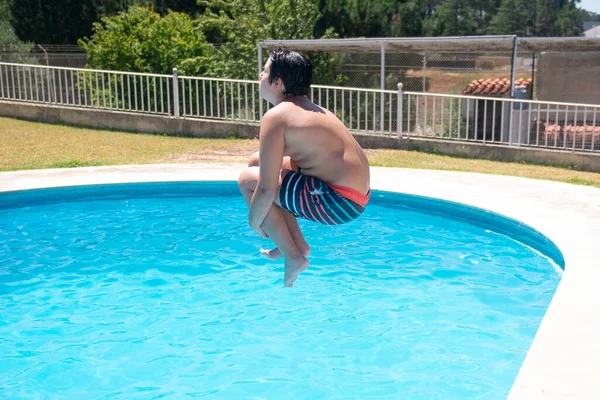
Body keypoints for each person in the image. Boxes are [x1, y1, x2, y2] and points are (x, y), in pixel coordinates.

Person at [238, 47, 371, 287]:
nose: (260, 74)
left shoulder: (277, 116)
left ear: (278, 82)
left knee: (248, 180)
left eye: (265, 71)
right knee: (256, 163)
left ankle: (293, 256)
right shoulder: (309, 109)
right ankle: (296, 245)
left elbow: (267, 189)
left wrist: (254, 222)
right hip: (353, 197)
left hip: (339, 203)